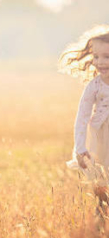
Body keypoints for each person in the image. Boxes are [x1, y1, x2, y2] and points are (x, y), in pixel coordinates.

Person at [61, 25, 109, 215]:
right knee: (101, 179)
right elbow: (82, 118)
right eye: (96, 57)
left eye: (107, 57)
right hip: (101, 139)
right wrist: (80, 149)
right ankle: (101, 213)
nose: (100, 62)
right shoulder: (94, 87)